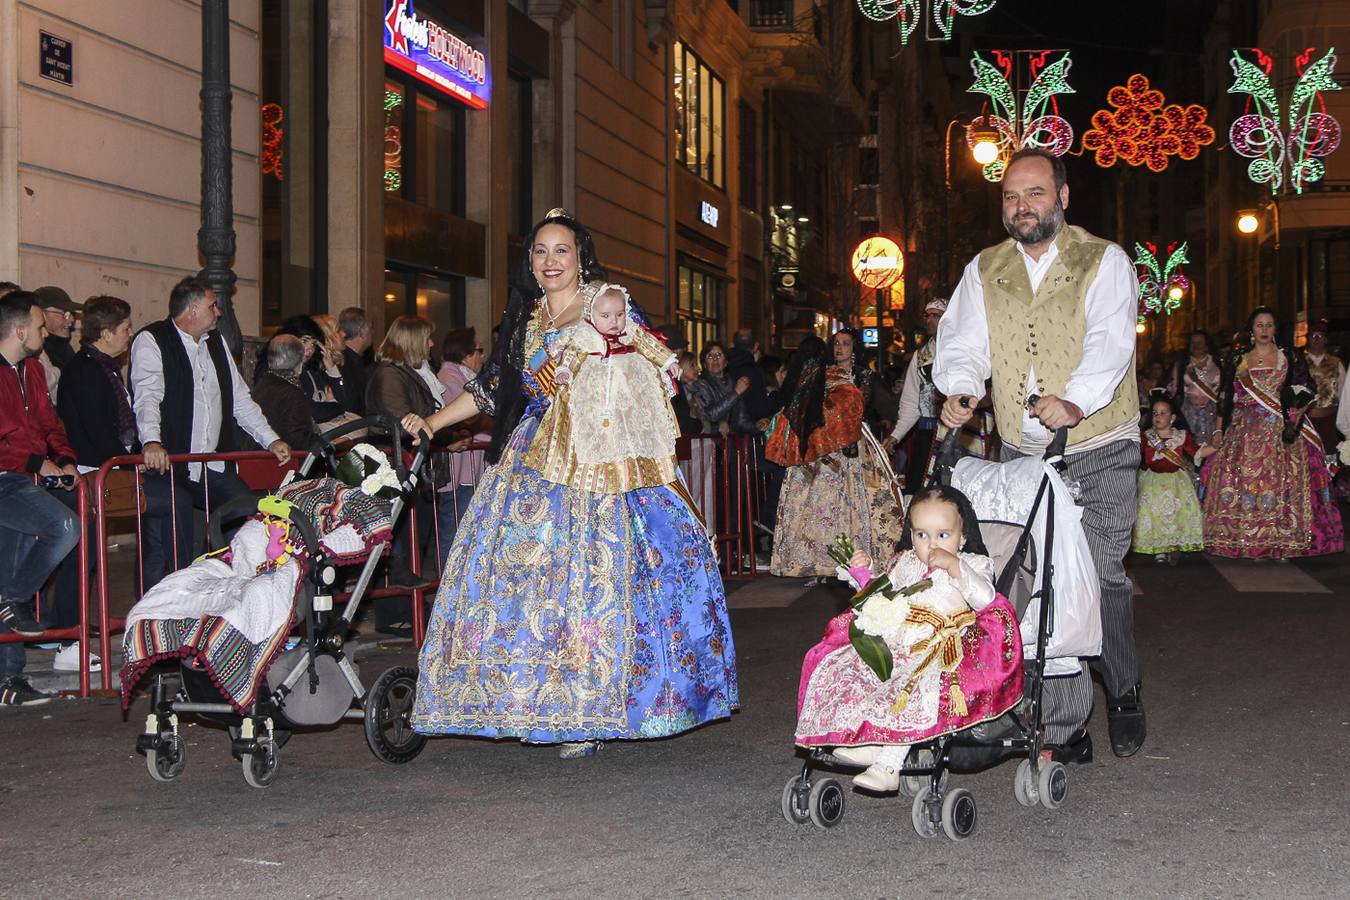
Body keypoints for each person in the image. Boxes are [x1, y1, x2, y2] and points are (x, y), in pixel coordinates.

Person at [399, 208, 737, 758]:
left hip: (605, 459)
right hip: (533, 458)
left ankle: (596, 705)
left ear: (581, 259)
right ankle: (530, 699)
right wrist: (433, 422)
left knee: (602, 579)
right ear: (530, 264)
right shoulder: (527, 322)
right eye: (540, 251)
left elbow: (648, 363)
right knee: (519, 580)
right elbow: (492, 389)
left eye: (561, 250)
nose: (550, 260)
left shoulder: (609, 304)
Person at [934, 147, 1146, 758]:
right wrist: (961, 391)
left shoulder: (1103, 260)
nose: (1021, 206)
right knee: (1034, 575)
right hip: (1021, 451)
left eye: (1034, 193)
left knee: (1100, 571)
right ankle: (1062, 718)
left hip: (1099, 440)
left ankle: (1124, 689)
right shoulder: (984, 268)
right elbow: (963, 342)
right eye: (1010, 196)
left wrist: (1075, 400)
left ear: (1062, 197)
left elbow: (1109, 341)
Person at [794, 484, 1022, 792]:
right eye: (921, 535)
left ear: (963, 537)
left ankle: (889, 763)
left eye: (943, 535)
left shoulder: (974, 563)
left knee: (912, 682)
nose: (930, 545)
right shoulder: (907, 564)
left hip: (942, 644)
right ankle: (870, 738)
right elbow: (882, 593)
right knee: (855, 667)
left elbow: (986, 598)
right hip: (900, 637)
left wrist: (957, 568)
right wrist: (863, 574)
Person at [129, 276, 290, 590]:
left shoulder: (215, 343)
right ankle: (156, 614)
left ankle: (240, 594)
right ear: (191, 310)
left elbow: (239, 398)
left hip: (212, 465)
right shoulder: (152, 340)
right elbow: (147, 396)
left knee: (251, 516)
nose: (218, 312)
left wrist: (270, 438)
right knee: (168, 544)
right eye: (211, 305)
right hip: (169, 466)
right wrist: (151, 440)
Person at [1202, 307, 1343, 559]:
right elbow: (1225, 396)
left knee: (1281, 485)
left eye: (1269, 325)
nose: (1264, 330)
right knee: (1246, 484)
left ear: (1276, 329)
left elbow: (1308, 387)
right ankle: (1247, 540)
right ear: (1252, 330)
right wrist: (1218, 430)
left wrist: (1298, 411)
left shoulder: (1289, 356)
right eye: (1259, 325)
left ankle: (1282, 542)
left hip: (1280, 432)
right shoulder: (1238, 359)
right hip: (1243, 432)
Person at [0, 291, 83, 703]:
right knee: (65, 526)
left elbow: (50, 423)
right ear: (18, 330)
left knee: (8, 574)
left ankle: (9, 682)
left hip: (22, 480)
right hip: (6, 479)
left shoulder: (32, 369)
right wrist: (36, 460)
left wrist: (64, 458)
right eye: (37, 325)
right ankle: (12, 600)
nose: (44, 330)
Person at [766, 336, 904, 579]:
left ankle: (851, 557)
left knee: (845, 505)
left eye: (845, 343)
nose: (839, 348)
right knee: (822, 506)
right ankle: (815, 559)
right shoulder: (815, 378)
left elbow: (876, 406)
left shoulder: (859, 377)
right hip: (819, 453)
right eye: (836, 344)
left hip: (850, 451)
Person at [53, 295, 137, 672]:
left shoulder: (102, 367)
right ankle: (67, 635)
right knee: (81, 555)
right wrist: (126, 463)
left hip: (101, 467)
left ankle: (69, 631)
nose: (129, 334)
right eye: (124, 329)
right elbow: (95, 428)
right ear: (104, 334)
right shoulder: (85, 370)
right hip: (89, 471)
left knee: (87, 554)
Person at [529, 283, 681, 490]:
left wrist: (669, 362)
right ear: (592, 315)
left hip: (628, 393)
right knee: (590, 428)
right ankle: (595, 473)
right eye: (606, 316)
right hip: (597, 393)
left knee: (637, 427)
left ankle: (636, 466)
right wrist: (565, 370)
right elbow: (572, 353)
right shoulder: (586, 335)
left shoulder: (631, 331)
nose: (615, 321)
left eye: (619, 314)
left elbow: (650, 345)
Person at [366, 315, 442, 601]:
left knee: (413, 539)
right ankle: (395, 610)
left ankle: (407, 608)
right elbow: (401, 419)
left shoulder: (407, 372)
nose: (431, 344)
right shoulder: (389, 374)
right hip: (394, 466)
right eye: (426, 338)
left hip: (409, 464)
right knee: (397, 541)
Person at [1133, 392, 1213, 564]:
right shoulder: (1146, 437)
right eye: (1155, 413)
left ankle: (1176, 544)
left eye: (1163, 413)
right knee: (1155, 514)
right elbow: (1135, 455)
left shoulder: (1181, 437)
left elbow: (1197, 452)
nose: (1158, 416)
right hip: (1152, 481)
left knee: (1178, 513)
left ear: (1173, 417)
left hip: (1177, 482)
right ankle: (1159, 549)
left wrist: (1217, 447)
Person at [434, 327, 491, 561]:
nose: (482, 356)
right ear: (465, 354)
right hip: (459, 468)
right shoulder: (450, 377)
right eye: (478, 350)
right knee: (455, 527)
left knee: (468, 529)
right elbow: (471, 415)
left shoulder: (467, 377)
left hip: (472, 465)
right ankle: (446, 584)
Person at [884, 298, 948, 491]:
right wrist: (895, 435)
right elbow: (911, 402)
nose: (929, 320)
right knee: (921, 489)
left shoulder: (965, 350)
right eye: (927, 316)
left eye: (936, 316)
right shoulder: (920, 357)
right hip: (928, 433)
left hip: (958, 433)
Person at [251, 335, 319, 450]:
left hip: (259, 455)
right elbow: (298, 439)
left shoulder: (263, 384)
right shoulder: (293, 394)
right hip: (280, 461)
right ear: (300, 363)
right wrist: (328, 444)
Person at [1168, 330, 1222, 452]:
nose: (1196, 346)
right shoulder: (1182, 364)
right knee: (1189, 446)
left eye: (1199, 343)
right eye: (1193, 343)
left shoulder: (1218, 364)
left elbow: (1223, 390)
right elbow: (1175, 388)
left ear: (1207, 345)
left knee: (1212, 447)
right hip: (1188, 412)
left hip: (1211, 411)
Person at [685, 341, 748, 435]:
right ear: (705, 364)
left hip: (732, 441)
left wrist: (758, 425)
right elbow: (710, 414)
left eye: (718, 355)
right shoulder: (701, 383)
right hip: (711, 441)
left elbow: (741, 421)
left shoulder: (733, 383)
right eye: (709, 356)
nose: (714, 359)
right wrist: (735, 393)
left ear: (726, 362)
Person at [35, 285, 83, 402]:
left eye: (71, 314)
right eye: (64, 314)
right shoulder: (37, 352)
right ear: (42, 314)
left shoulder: (64, 347)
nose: (71, 319)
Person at [1302, 320, 1343, 451]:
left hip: (1330, 421)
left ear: (1326, 340)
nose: (1316, 339)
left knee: (1329, 456)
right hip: (1305, 420)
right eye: (1313, 336)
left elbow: (1344, 393)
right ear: (1308, 339)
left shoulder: (1336, 363)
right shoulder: (1299, 362)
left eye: (1320, 336)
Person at [338, 306, 373, 415]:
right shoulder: (346, 363)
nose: (373, 332)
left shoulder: (353, 360)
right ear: (361, 332)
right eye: (371, 327)